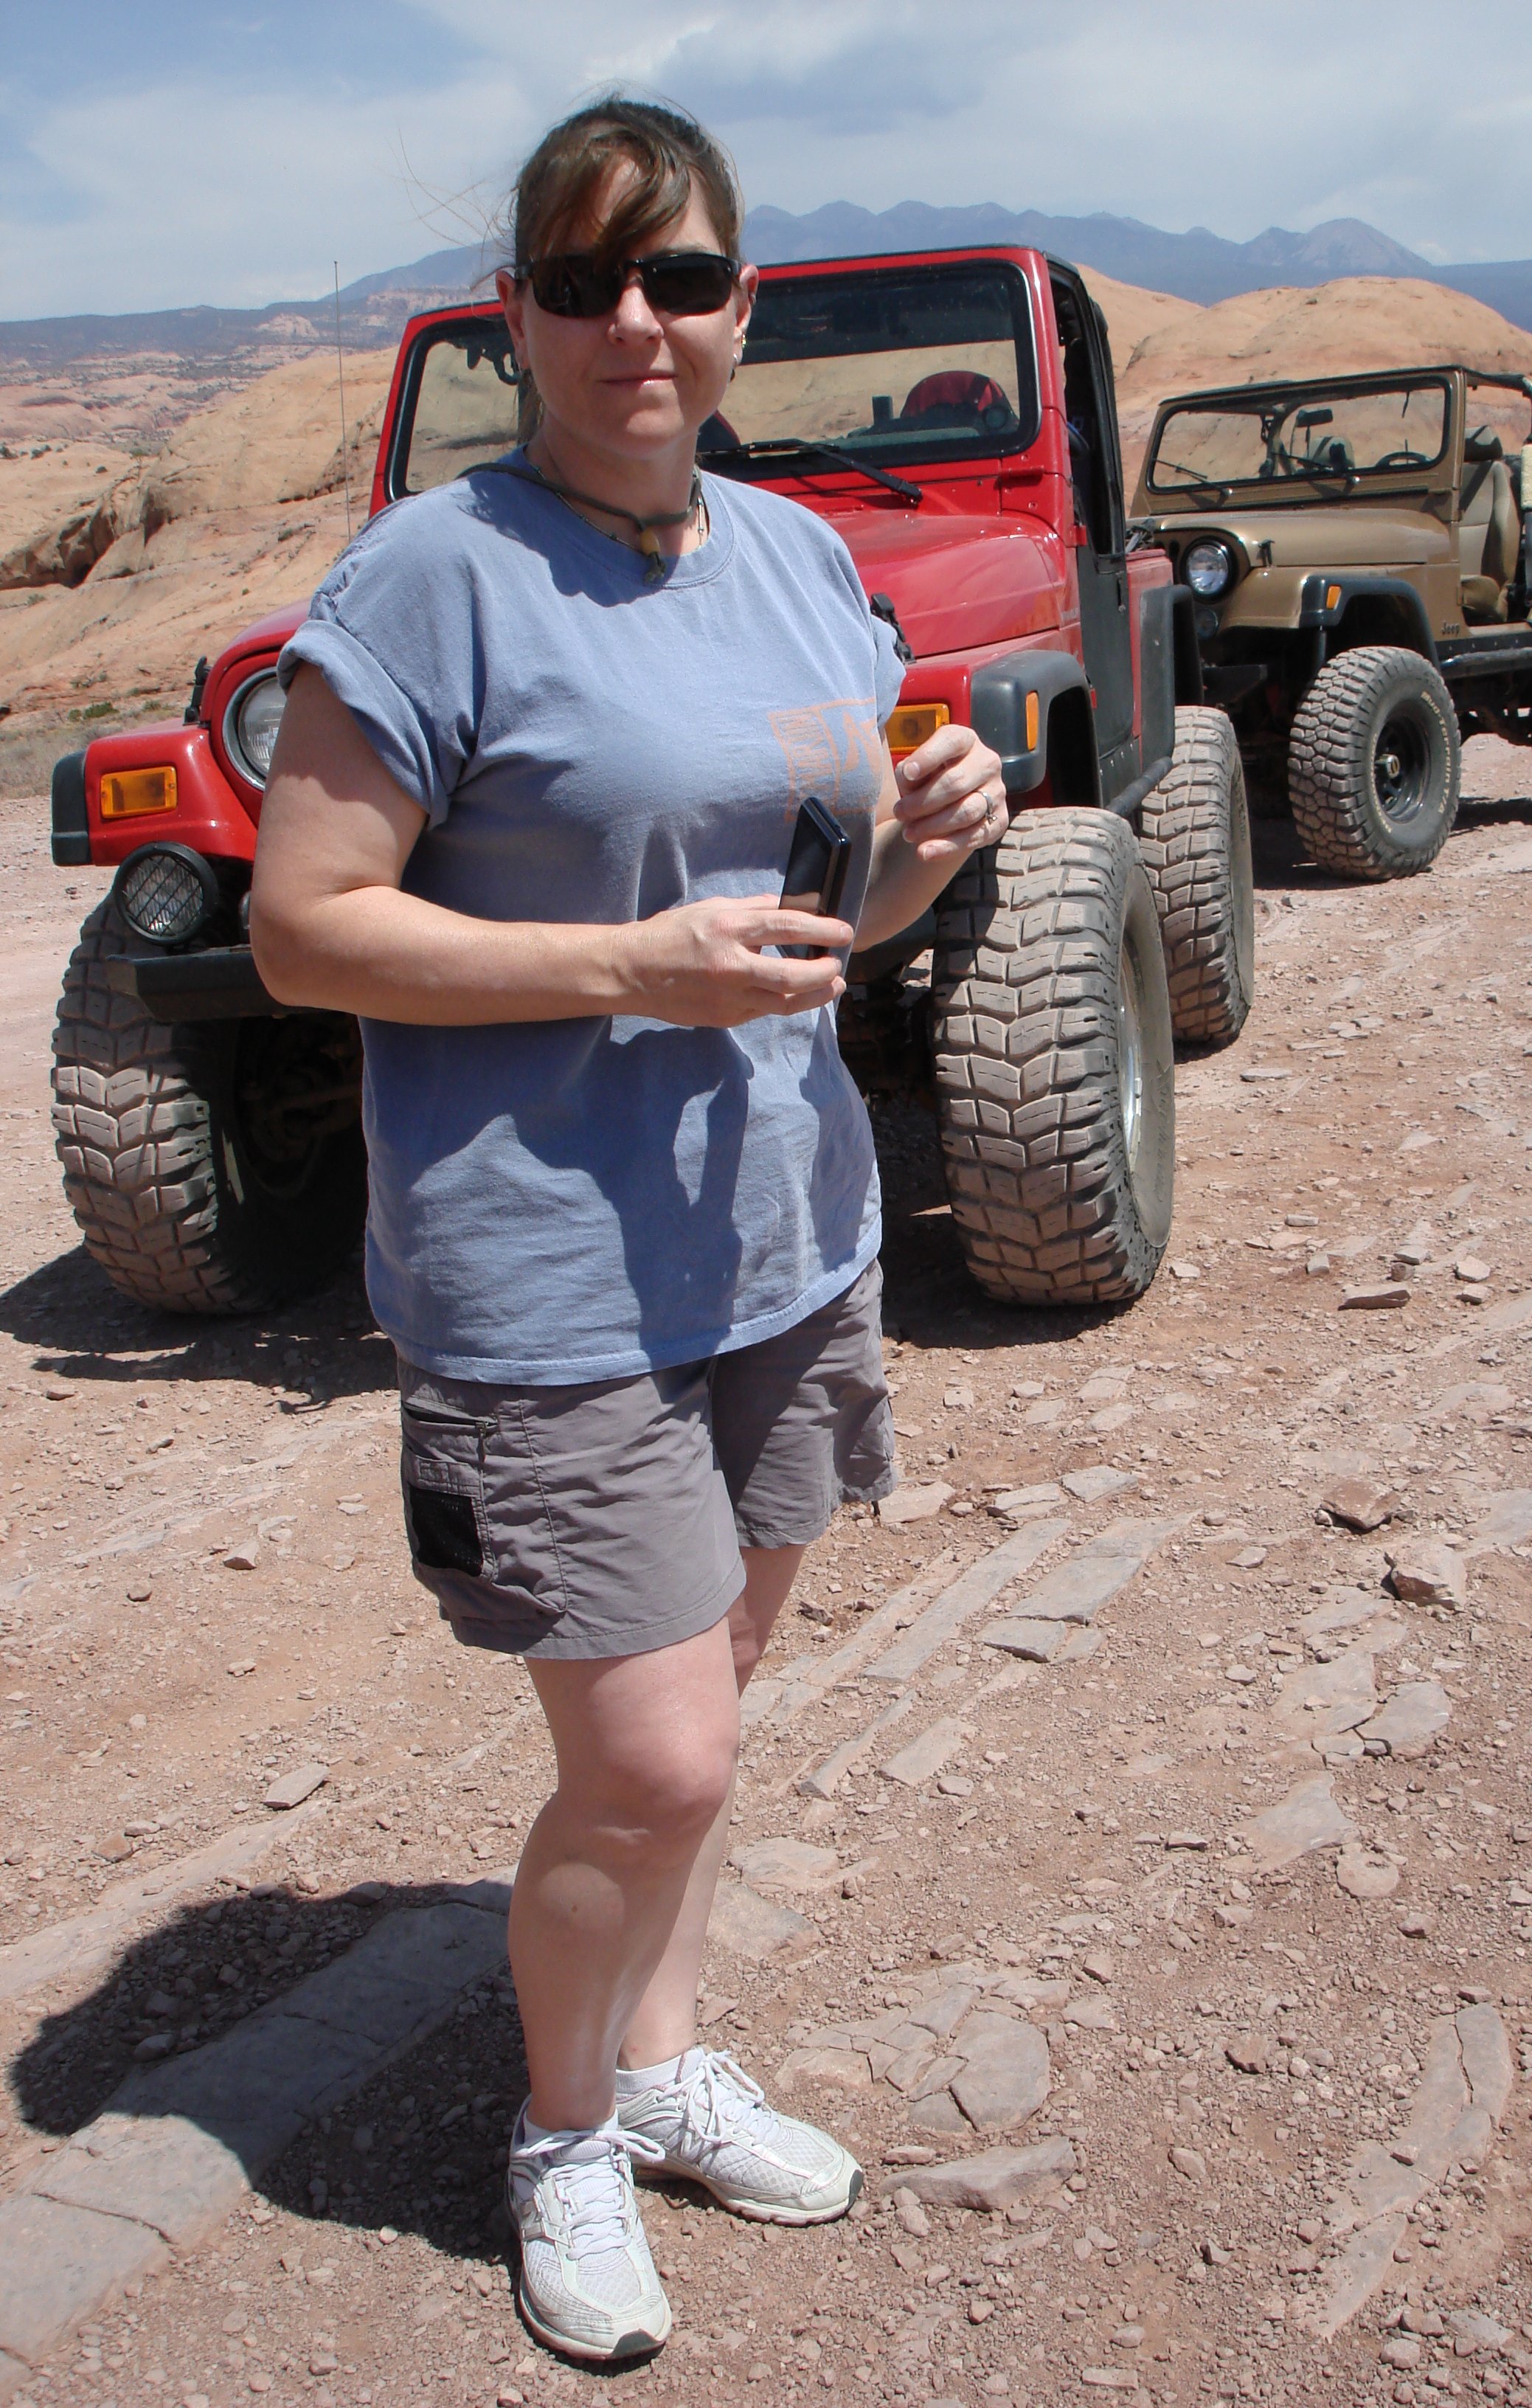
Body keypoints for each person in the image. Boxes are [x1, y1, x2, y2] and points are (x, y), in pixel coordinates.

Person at [249, 96, 1006, 2366]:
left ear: (741, 305)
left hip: (784, 1234)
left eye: (677, 279)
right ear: (520, 318)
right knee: (657, 1759)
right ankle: (567, 2128)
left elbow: (818, 917)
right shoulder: (433, 578)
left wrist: (928, 853)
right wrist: (618, 969)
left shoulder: (795, 558)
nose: (635, 326)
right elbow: (301, 927)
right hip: (546, 1277)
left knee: (712, 1710)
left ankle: (663, 2063)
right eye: (583, 285)